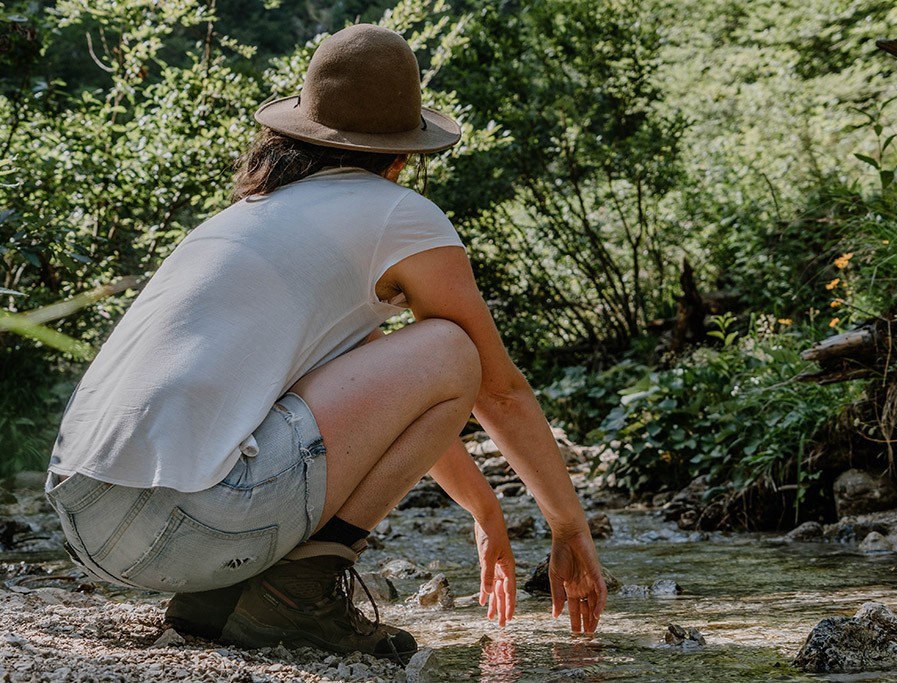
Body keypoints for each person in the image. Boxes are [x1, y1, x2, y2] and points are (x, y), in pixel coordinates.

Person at [44, 23, 607, 663]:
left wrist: (485, 511)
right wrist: (568, 524)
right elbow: (494, 388)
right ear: (401, 157)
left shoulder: (251, 218)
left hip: (85, 518)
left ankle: (221, 599)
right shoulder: (399, 214)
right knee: (454, 347)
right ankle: (297, 594)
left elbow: (389, 403)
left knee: (429, 359)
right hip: (193, 522)